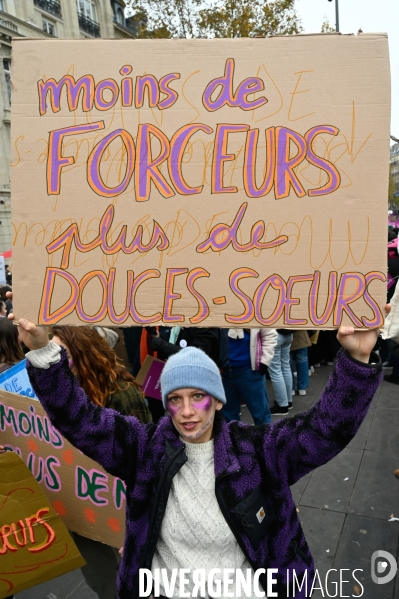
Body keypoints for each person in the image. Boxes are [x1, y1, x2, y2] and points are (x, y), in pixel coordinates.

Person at [16, 316, 382, 599]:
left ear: (219, 400)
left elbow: (324, 429)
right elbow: (80, 419)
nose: (187, 411)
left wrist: (357, 357)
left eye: (199, 396)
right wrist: (45, 353)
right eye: (175, 399)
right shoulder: (143, 449)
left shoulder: (261, 451)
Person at [50, 325, 152, 599]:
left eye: (62, 353)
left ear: (83, 352)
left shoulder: (122, 394)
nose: (54, 361)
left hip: (120, 504)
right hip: (80, 504)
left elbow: (147, 457)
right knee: (101, 577)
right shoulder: (57, 394)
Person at [221, 328, 276, 424]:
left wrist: (264, 362)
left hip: (249, 371)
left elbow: (270, 334)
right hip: (223, 372)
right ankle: (234, 439)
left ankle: (265, 439)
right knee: (228, 417)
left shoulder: (254, 313)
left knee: (261, 415)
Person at [268, 329, 294, 415]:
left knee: (275, 371)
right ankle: (288, 401)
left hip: (274, 335)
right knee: (286, 366)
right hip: (288, 333)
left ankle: (282, 405)